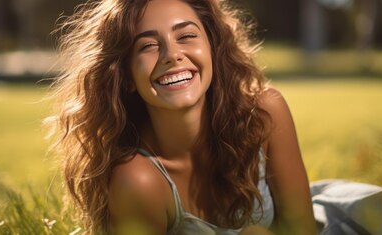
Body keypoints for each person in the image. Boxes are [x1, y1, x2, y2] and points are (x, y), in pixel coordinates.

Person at [46, 0, 316, 234]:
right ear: (126, 75)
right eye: (148, 45)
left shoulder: (265, 113)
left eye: (186, 36)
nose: (172, 55)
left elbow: (303, 229)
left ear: (213, 47)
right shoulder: (137, 181)